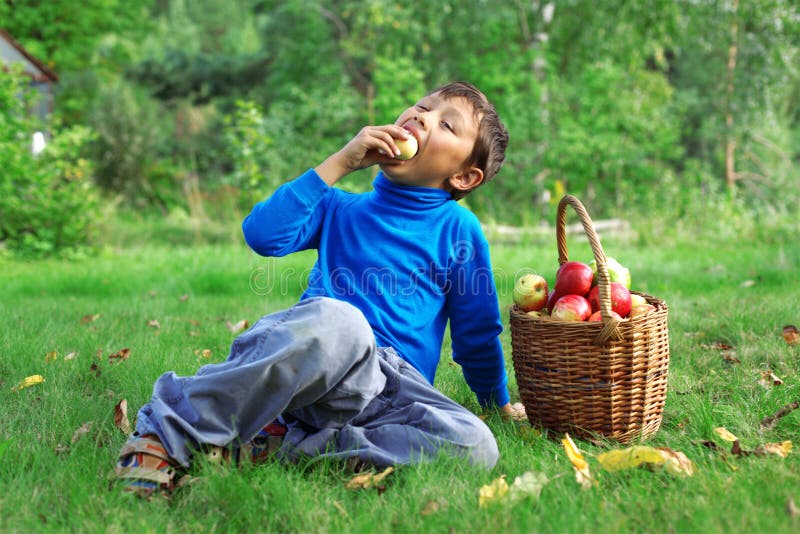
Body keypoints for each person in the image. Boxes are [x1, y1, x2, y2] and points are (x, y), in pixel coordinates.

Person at [115, 81, 524, 497]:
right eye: (422, 106)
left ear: (464, 175)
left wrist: (497, 404)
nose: (421, 116)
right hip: (323, 364)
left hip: (390, 391)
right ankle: (164, 431)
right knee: (343, 321)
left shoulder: (459, 230)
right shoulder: (338, 207)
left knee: (475, 445)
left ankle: (277, 447)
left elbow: (477, 333)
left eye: (446, 124)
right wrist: (340, 163)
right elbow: (263, 235)